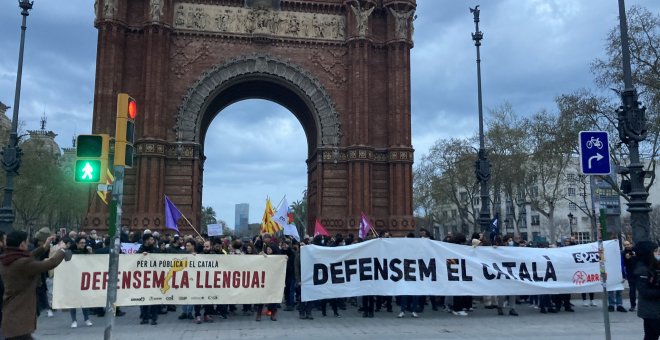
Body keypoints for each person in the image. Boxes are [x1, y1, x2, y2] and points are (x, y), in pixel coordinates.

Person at [0, 230, 69, 339]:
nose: (28, 244)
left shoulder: (6, 260)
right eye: (27, 242)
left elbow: (28, 257)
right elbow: (51, 263)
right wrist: (62, 250)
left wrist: (44, 247)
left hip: (11, 316)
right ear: (22, 244)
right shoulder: (22, 263)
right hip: (19, 318)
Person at [633, 241, 660, 340]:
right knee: (651, 336)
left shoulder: (653, 265)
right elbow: (644, 292)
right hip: (651, 311)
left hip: (655, 310)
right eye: (655, 251)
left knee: (650, 336)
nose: (658, 253)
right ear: (648, 253)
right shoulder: (642, 269)